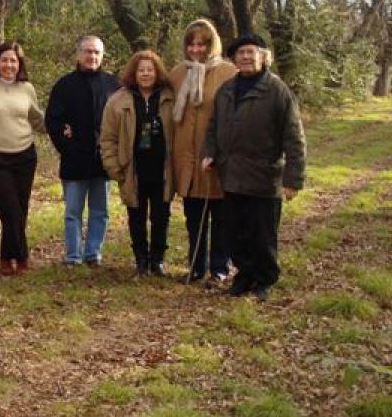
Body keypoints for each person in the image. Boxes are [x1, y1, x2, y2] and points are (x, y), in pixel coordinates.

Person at [202, 33, 306, 301]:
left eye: (251, 52)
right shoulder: (226, 89)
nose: (246, 57)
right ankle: (244, 275)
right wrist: (209, 153)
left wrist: (293, 179)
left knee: (262, 234)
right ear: (234, 59)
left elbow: (294, 138)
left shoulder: (277, 91)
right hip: (231, 175)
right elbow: (213, 127)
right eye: (241, 53)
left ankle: (264, 279)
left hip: (264, 177)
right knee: (236, 231)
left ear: (263, 56)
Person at [167, 19, 237, 287]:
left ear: (212, 44)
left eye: (202, 44)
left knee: (221, 216)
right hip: (186, 156)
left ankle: (220, 267)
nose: (196, 49)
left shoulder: (228, 73)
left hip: (217, 156)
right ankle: (196, 267)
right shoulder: (177, 73)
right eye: (192, 44)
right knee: (193, 216)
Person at [46, 35, 121, 266]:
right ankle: (73, 255)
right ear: (79, 54)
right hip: (74, 159)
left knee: (100, 211)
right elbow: (53, 121)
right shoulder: (64, 85)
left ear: (102, 56)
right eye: (88, 51)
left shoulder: (113, 85)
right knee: (73, 212)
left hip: (102, 160)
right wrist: (67, 147)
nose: (92, 56)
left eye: (97, 52)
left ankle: (93, 253)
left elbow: (122, 120)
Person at [100, 50, 174, 277]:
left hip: (162, 169)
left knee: (161, 216)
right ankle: (141, 260)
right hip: (132, 169)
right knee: (136, 216)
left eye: (149, 70)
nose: (145, 74)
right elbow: (108, 138)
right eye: (141, 70)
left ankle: (157, 260)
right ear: (133, 72)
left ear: (157, 72)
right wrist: (114, 167)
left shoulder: (169, 98)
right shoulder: (118, 100)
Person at [0, 41, 46, 275]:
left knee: (21, 208)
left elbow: (37, 119)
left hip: (25, 155)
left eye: (13, 61)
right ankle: (21, 254)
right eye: (4, 60)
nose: (9, 64)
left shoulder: (27, 88)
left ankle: (8, 257)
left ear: (20, 64)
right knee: (9, 210)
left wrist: (62, 125)